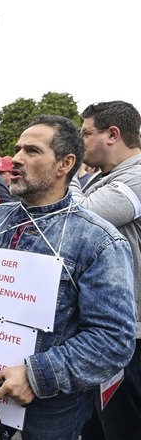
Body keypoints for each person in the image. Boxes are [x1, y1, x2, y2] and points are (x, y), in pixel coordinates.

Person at [0, 115, 136, 439]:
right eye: (18, 148)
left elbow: (113, 339)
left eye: (32, 151)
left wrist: (37, 376)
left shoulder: (98, 240)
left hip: (52, 408)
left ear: (65, 163)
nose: (16, 158)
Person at [71, 101, 141, 440]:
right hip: (104, 327)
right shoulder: (106, 177)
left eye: (85, 133)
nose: (79, 141)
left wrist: (63, 168)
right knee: (98, 427)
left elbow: (80, 215)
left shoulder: (138, 176)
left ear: (113, 134)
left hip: (131, 334)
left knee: (122, 426)